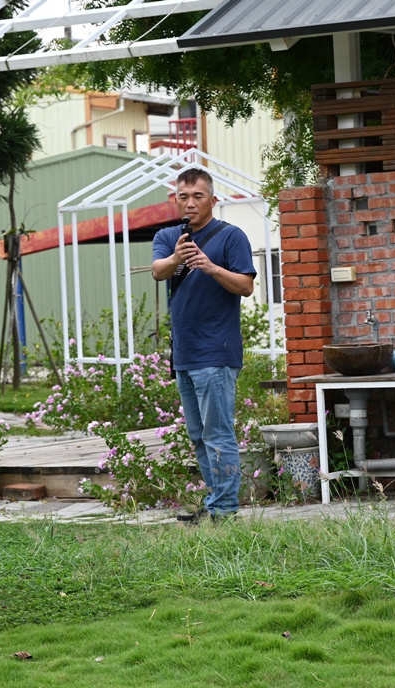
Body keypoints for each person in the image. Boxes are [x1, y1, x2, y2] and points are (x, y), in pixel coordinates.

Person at [151, 168, 256, 522]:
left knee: (218, 433)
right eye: (184, 196)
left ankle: (225, 511)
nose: (190, 202)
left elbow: (245, 286)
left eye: (198, 195)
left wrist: (211, 268)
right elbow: (158, 270)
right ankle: (216, 504)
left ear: (213, 199)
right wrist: (178, 258)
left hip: (217, 351)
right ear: (175, 200)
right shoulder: (169, 236)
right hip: (184, 354)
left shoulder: (230, 236)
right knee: (198, 435)